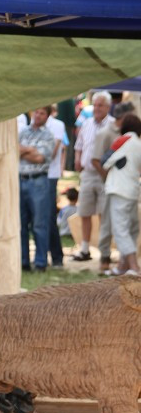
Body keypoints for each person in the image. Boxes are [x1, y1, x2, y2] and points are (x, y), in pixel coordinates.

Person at [91, 100, 135, 274]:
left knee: (121, 225)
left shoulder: (127, 137)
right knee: (111, 224)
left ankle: (127, 264)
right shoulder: (109, 134)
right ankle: (108, 258)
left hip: (120, 186)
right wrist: (107, 178)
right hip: (113, 185)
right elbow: (98, 160)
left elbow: (107, 160)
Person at [71, 91, 113, 261]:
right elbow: (79, 144)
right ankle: (85, 249)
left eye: (100, 105)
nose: (96, 108)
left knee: (104, 213)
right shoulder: (87, 123)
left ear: (108, 107)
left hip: (105, 175)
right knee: (85, 212)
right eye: (95, 105)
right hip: (87, 174)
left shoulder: (112, 125)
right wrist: (77, 160)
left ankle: (105, 251)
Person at [101, 113, 141, 276]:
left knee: (120, 229)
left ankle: (133, 266)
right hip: (132, 190)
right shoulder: (139, 143)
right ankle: (123, 266)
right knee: (131, 229)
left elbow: (104, 161)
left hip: (119, 189)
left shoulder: (123, 140)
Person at [18, 106, 55, 271]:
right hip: (20, 180)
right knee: (21, 223)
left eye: (42, 113)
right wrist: (30, 150)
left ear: (47, 116)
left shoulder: (48, 135)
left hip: (38, 182)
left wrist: (23, 151)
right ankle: (23, 261)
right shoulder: (23, 132)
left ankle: (40, 262)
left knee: (39, 224)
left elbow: (40, 158)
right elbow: (14, 150)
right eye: (36, 112)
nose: (38, 115)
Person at [46, 106, 67, 267]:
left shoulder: (57, 125)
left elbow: (50, 153)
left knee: (50, 217)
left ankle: (57, 257)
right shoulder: (29, 123)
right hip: (31, 176)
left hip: (50, 176)